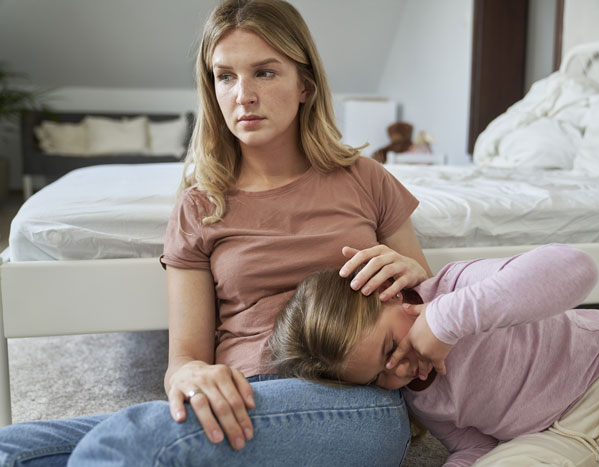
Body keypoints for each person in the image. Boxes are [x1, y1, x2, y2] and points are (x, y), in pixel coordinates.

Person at [0, 0, 432, 465]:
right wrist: (190, 377)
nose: (242, 94)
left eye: (264, 73)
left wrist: (414, 279)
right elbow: (184, 357)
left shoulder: (365, 178)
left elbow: (436, 320)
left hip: (354, 402)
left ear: (305, 84)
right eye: (225, 76)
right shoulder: (200, 205)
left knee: (129, 442)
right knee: (12, 449)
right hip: (237, 395)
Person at [269, 243, 599, 466]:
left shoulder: (458, 287)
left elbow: (577, 267)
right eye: (378, 378)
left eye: (390, 347)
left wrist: (443, 323)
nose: (398, 371)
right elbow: (476, 444)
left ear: (391, 294)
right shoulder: (421, 394)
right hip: (547, 436)